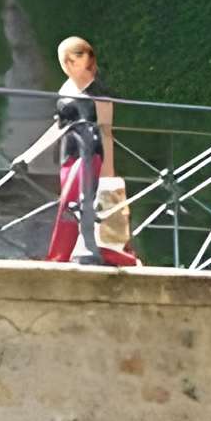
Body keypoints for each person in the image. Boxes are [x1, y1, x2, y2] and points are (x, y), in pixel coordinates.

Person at [32, 36, 141, 268]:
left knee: (84, 203)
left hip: (91, 154)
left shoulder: (99, 93)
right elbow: (59, 125)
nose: (66, 66)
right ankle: (71, 253)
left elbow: (106, 132)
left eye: (70, 60)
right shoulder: (66, 87)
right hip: (69, 154)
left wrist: (109, 172)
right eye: (64, 61)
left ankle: (80, 253)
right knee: (71, 203)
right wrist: (31, 154)